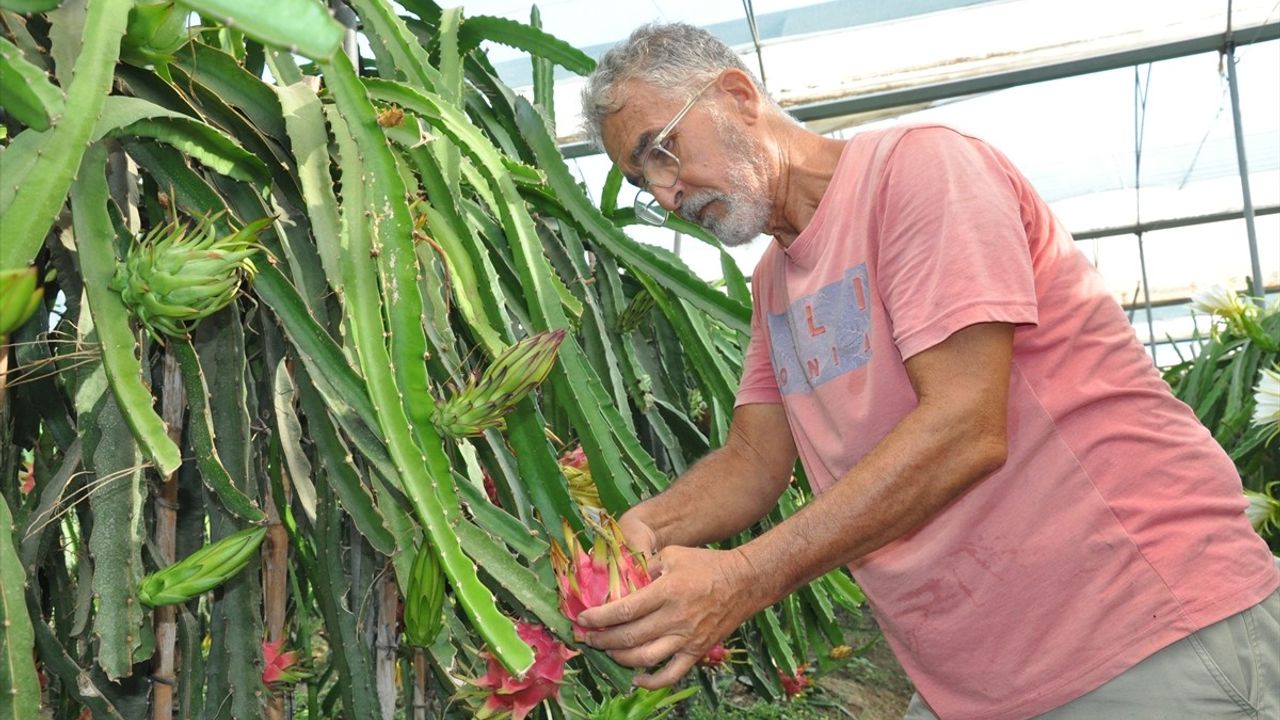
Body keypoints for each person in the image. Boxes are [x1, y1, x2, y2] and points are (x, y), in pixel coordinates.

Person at [572, 21, 1280, 720]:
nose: (666, 195)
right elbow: (756, 460)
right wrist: (642, 530)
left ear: (736, 95)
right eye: (642, 182)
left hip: (1145, 637)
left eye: (662, 152)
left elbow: (965, 427)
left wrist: (745, 577)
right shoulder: (774, 285)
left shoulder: (920, 171)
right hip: (978, 683)